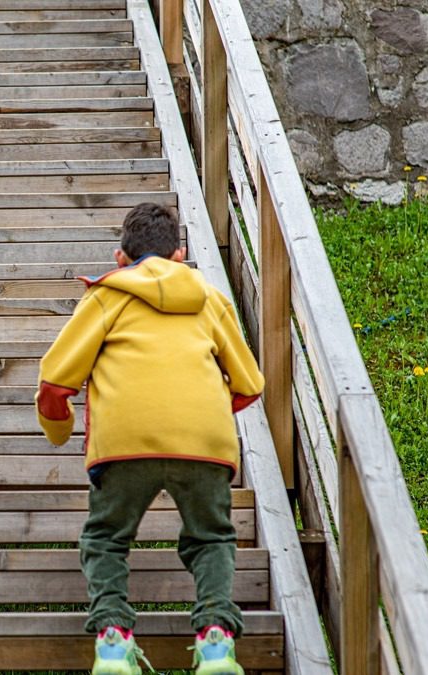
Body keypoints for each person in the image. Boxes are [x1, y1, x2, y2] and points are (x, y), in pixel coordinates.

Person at [34, 202, 264, 675]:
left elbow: (55, 385)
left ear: (121, 259)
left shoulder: (106, 297)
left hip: (124, 441)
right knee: (211, 538)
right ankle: (216, 641)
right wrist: (207, 417)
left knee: (106, 538)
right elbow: (249, 384)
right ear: (180, 254)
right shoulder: (209, 296)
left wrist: (59, 432)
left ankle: (113, 642)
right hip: (203, 440)